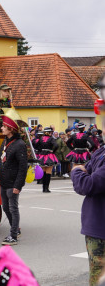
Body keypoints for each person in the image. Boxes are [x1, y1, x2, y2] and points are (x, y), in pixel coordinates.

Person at [71, 72, 105, 286]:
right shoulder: (102, 150)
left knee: (97, 278)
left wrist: (76, 170)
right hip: (96, 227)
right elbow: (90, 166)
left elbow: (87, 183)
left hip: (100, 229)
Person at [0, 114, 28, 246]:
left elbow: (23, 167)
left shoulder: (20, 144)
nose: (1, 128)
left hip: (13, 182)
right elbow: (2, 162)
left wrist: (18, 185)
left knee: (13, 208)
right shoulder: (6, 141)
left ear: (10, 129)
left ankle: (13, 235)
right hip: (4, 181)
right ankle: (16, 229)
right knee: (6, 208)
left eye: (4, 126)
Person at [34, 127, 58, 193]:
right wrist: (53, 151)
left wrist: (40, 150)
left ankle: (43, 188)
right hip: (49, 155)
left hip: (42, 155)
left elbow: (35, 145)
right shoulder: (51, 139)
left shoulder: (41, 138)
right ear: (49, 132)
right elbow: (56, 145)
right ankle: (46, 188)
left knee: (44, 172)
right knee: (48, 172)